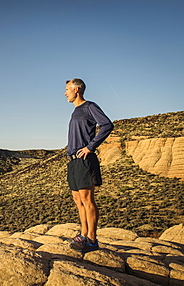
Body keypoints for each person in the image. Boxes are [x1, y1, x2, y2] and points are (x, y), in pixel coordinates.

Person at [64, 78, 113, 252]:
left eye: (67, 89)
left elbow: (107, 125)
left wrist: (90, 147)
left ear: (77, 90)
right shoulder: (76, 111)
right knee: (78, 200)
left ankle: (92, 239)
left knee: (87, 200)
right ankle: (84, 234)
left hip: (85, 160)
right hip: (73, 161)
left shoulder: (89, 107)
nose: (65, 93)